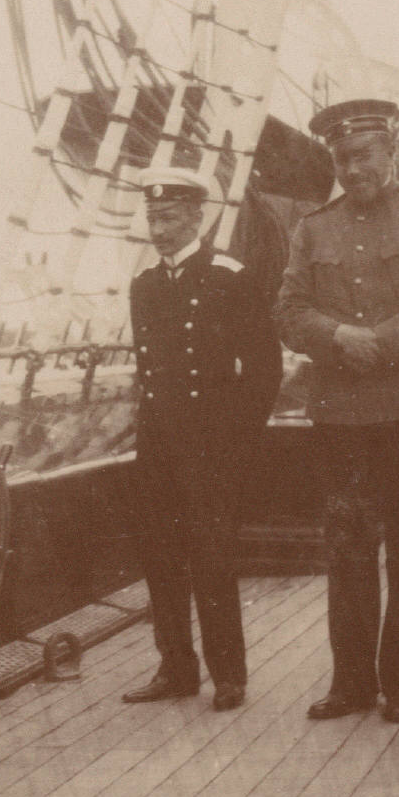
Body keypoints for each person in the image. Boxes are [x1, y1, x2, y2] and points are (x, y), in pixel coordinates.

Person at [276, 98, 399, 725]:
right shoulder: (314, 228)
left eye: (365, 155)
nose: (354, 168)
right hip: (343, 417)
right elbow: (288, 312)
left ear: (390, 152)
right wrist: (337, 336)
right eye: (343, 159)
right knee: (349, 549)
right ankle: (352, 684)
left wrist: (379, 341)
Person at [122, 169, 283, 712]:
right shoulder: (144, 286)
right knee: (160, 558)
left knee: (213, 558)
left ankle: (228, 675)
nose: (158, 230)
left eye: (169, 218)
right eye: (152, 218)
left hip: (212, 446)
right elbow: (148, 372)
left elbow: (263, 369)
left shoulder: (228, 276)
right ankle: (176, 668)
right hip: (158, 446)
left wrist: (236, 441)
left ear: (197, 217)